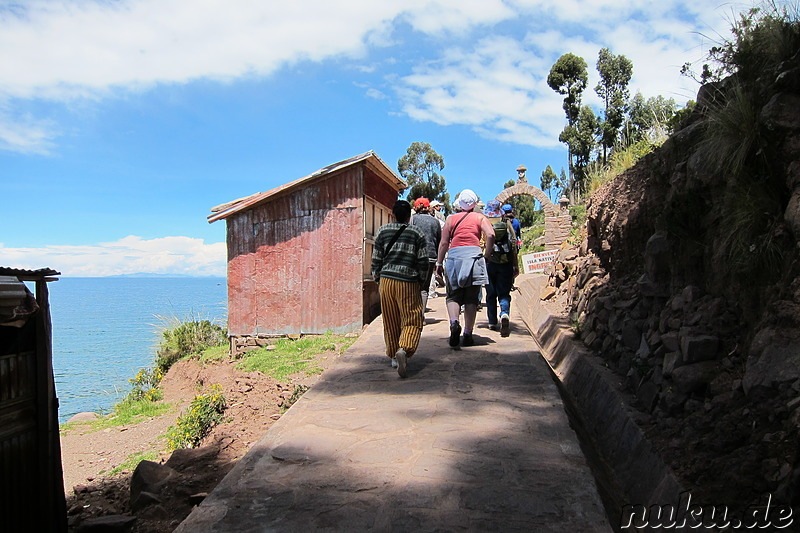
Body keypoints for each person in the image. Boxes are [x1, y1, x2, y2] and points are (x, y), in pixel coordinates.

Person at [371, 200, 429, 378]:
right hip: (408, 281)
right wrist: (421, 279)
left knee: (390, 319)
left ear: (393, 214)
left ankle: (394, 357)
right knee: (412, 318)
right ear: (409, 216)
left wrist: (378, 278)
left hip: (386, 281)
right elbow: (423, 261)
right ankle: (404, 349)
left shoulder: (383, 231)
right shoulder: (416, 233)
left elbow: (376, 259)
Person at [435, 189, 495, 348]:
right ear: (474, 203)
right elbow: (490, 235)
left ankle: (454, 323)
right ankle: (467, 333)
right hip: (474, 257)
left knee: (453, 295)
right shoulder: (480, 217)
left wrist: (439, 263)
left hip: (454, 258)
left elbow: (443, 243)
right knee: (471, 297)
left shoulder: (450, 219)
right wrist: (487, 255)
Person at [486, 214, 519, 336]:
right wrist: (515, 264)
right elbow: (514, 243)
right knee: (504, 293)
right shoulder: (506, 222)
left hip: (490, 262)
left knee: (491, 293)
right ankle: (504, 313)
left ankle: (492, 322)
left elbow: (481, 242)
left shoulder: (485, 222)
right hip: (506, 263)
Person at [411, 197, 442, 311]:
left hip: (414, 257)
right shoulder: (435, 222)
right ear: (428, 207)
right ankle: (421, 315)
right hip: (430, 257)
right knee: (424, 288)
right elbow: (439, 241)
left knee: (413, 287)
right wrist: (439, 261)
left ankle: (412, 314)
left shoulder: (412, 220)